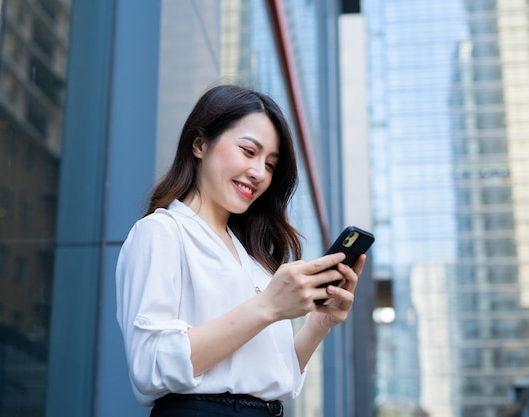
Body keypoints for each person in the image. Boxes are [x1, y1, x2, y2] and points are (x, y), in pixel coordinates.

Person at [115, 84, 366, 417]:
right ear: (200, 144)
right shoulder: (161, 232)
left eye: (271, 165)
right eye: (249, 151)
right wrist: (268, 306)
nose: (260, 173)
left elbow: (279, 378)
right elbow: (151, 365)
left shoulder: (254, 259)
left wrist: (319, 323)